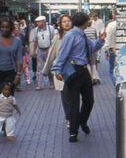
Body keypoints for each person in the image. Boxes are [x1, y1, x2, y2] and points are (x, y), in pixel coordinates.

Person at [52, 12, 105, 142]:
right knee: (73, 102)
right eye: (88, 20)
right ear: (83, 22)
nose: (89, 22)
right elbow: (62, 53)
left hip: (83, 70)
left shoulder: (83, 35)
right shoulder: (70, 36)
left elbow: (92, 48)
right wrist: (57, 69)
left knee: (89, 100)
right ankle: (73, 131)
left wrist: (100, 40)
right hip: (73, 70)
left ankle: (82, 121)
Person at [0, 18, 24, 96]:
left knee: (8, 97)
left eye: (7, 27)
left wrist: (18, 74)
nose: (5, 29)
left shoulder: (17, 41)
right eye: (2, 27)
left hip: (11, 72)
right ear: (0, 28)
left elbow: (19, 58)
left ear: (11, 28)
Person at [29, 15, 55, 90]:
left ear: (44, 22)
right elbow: (35, 41)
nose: (37, 23)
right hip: (40, 49)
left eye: (39, 22)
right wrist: (34, 51)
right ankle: (40, 84)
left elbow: (53, 39)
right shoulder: (36, 30)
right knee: (39, 67)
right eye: (37, 22)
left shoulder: (51, 29)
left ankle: (52, 83)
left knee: (49, 66)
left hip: (49, 49)